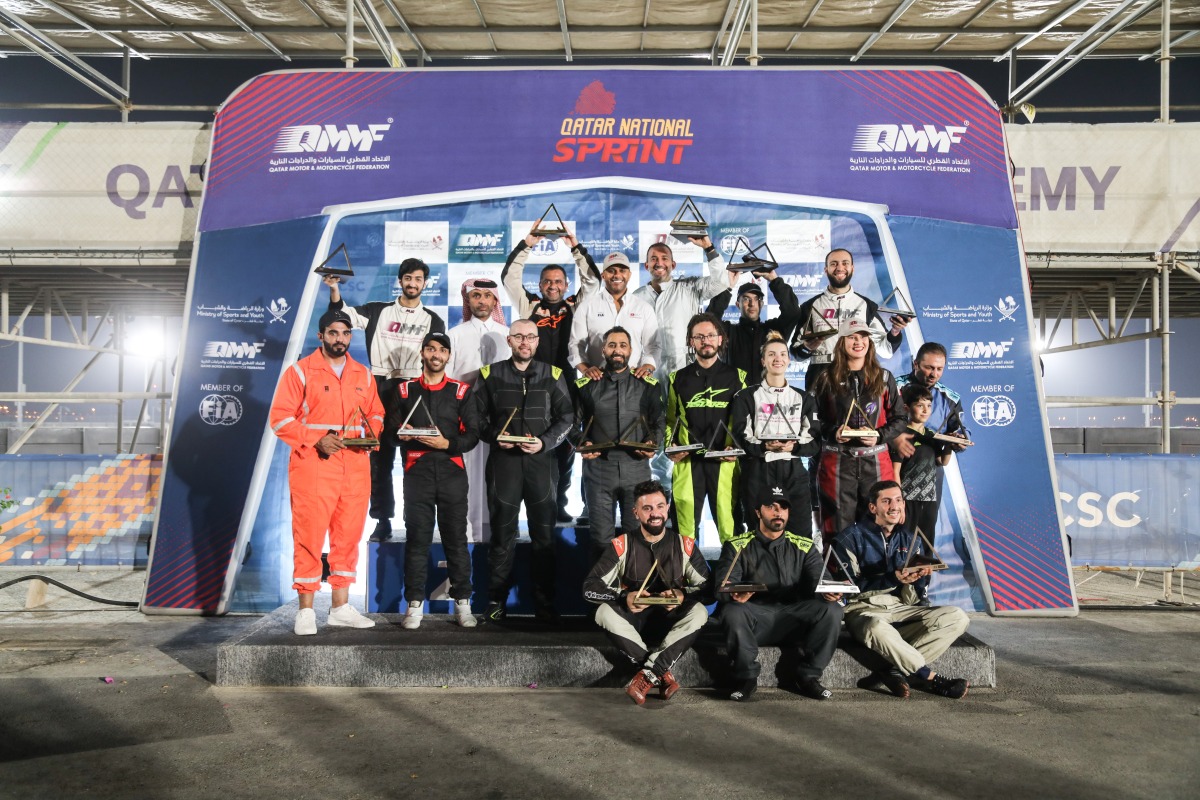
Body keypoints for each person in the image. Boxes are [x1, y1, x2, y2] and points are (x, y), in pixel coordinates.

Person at [268, 308, 382, 635]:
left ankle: (341, 607)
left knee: (348, 536)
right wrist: (317, 439)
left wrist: (371, 435)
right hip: (314, 465)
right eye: (333, 333)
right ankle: (305, 610)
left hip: (356, 464)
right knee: (310, 535)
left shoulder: (363, 373)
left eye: (345, 334)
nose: (340, 339)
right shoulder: (301, 372)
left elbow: (376, 412)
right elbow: (280, 419)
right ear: (321, 336)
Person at [325, 259, 445, 542]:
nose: (412, 283)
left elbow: (437, 357)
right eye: (407, 278)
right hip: (379, 387)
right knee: (378, 458)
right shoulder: (376, 310)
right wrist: (333, 288)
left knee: (414, 457)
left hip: (415, 389)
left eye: (418, 279)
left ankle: (415, 518)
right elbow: (340, 316)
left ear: (425, 283)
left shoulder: (433, 319)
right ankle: (382, 521)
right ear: (400, 280)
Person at [831, 481, 971, 699]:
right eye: (886, 501)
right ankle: (929, 677)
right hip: (862, 610)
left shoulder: (909, 539)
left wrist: (917, 580)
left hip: (900, 608)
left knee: (957, 617)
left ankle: (892, 669)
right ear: (872, 507)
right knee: (875, 627)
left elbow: (913, 599)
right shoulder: (848, 538)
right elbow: (848, 590)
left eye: (898, 500)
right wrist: (892, 577)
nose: (894, 506)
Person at [476, 318, 574, 624]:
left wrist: (544, 444)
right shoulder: (490, 374)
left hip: (540, 464)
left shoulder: (553, 374)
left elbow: (568, 417)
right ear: (508, 340)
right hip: (504, 463)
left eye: (530, 337)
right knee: (503, 535)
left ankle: (544, 603)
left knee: (543, 537)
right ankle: (495, 601)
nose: (524, 342)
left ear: (537, 341)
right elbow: (475, 418)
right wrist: (495, 437)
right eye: (518, 336)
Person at [501, 229, 601, 522]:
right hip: (533, 388)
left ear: (566, 284)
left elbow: (593, 280)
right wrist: (528, 244)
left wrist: (575, 248)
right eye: (547, 281)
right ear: (540, 284)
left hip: (569, 389)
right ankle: (537, 504)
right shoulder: (529, 305)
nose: (553, 286)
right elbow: (509, 277)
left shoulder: (576, 305)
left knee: (567, 448)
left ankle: (559, 502)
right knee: (535, 444)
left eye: (558, 281)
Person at [583, 480, 710, 705]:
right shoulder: (621, 544)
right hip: (635, 622)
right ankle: (661, 674)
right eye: (647, 508)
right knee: (603, 612)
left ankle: (650, 672)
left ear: (667, 508)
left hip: (671, 621)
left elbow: (709, 588)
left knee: (699, 611)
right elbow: (590, 588)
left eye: (660, 506)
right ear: (635, 512)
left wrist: (683, 595)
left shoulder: (685, 544)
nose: (655, 514)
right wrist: (623, 596)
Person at [714, 486, 845, 702]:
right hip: (757, 620)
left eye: (783, 507)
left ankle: (808, 676)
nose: (778, 512)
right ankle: (746, 679)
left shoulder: (803, 545)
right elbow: (722, 586)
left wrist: (829, 592)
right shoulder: (737, 545)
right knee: (732, 611)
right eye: (771, 506)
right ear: (757, 512)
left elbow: (819, 579)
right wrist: (734, 594)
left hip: (795, 617)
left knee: (831, 609)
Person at [387, 331, 481, 630]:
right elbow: (389, 433)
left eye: (441, 350)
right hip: (417, 473)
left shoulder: (461, 391)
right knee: (417, 541)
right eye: (430, 349)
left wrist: (447, 445)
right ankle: (414, 605)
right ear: (423, 353)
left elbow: (473, 435)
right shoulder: (403, 391)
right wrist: (405, 436)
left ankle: (463, 604)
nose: (436, 354)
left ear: (448, 356)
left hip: (452, 472)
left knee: (456, 540)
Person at [809, 317, 907, 544]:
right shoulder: (825, 377)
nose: (858, 341)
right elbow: (813, 420)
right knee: (836, 527)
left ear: (870, 342)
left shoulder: (884, 378)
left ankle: (876, 578)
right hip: (838, 462)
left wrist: (879, 436)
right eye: (852, 336)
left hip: (876, 463)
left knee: (878, 524)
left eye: (863, 336)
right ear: (842, 341)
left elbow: (900, 418)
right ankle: (838, 577)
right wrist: (834, 432)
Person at [574, 327, 665, 558]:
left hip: (637, 471)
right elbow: (570, 423)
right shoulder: (586, 385)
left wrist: (653, 442)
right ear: (603, 350)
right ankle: (601, 593)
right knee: (600, 540)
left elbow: (660, 421)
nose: (617, 350)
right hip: (598, 472)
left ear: (631, 350)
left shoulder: (648, 385)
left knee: (637, 539)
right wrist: (579, 443)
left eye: (623, 345)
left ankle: (633, 593)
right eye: (612, 345)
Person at [665, 313, 746, 542]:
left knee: (730, 527)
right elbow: (670, 420)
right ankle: (687, 577)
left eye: (710, 335)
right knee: (685, 530)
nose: (705, 341)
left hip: (725, 462)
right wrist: (670, 447)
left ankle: (731, 578)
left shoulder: (738, 377)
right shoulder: (677, 379)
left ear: (720, 339)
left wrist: (737, 448)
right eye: (699, 336)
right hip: (688, 462)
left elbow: (745, 421)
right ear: (691, 342)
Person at [730, 332, 818, 536]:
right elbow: (740, 437)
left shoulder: (804, 398)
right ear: (763, 361)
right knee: (758, 532)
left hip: (793, 470)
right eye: (771, 354)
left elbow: (813, 443)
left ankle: (799, 568)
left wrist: (794, 446)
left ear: (788, 360)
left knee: (801, 533)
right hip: (759, 470)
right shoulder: (746, 397)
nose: (777, 359)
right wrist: (763, 446)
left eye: (782, 354)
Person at [446, 278, 510, 544]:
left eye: (487, 296)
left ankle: (499, 536)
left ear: (496, 301)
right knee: (469, 479)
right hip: (466, 419)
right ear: (467, 300)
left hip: (501, 420)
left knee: (500, 479)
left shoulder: (508, 334)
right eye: (476, 296)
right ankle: (470, 537)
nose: (482, 301)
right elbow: (447, 380)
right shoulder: (454, 334)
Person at [788, 248, 908, 390]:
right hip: (820, 374)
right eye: (834, 264)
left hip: (857, 373)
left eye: (845, 263)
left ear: (852, 268)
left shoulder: (866, 305)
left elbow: (886, 351)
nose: (840, 268)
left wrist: (895, 331)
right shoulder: (810, 306)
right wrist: (807, 348)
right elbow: (796, 353)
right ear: (826, 269)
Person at [893, 342, 971, 544]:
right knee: (894, 527)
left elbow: (962, 430)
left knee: (925, 531)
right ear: (915, 364)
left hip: (929, 470)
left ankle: (923, 572)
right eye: (928, 367)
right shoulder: (892, 386)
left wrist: (959, 441)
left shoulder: (950, 398)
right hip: (894, 464)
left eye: (939, 369)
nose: (933, 374)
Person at [632, 237, 727, 378]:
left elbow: (721, 282)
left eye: (664, 258)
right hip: (649, 368)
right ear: (646, 265)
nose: (659, 263)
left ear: (673, 265)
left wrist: (708, 248)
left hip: (685, 366)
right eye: (654, 259)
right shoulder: (637, 297)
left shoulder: (689, 287)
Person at [569, 252, 660, 381]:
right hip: (597, 382)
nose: (617, 275)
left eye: (622, 270)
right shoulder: (587, 306)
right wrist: (586, 369)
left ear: (629, 275)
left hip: (634, 382)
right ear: (603, 275)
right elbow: (576, 344)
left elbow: (653, 345)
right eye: (611, 271)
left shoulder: (644, 308)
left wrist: (648, 367)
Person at [706, 269, 803, 377]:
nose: (752, 304)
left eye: (756, 299)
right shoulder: (728, 332)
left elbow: (793, 312)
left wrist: (774, 280)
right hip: (735, 393)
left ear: (761, 304)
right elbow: (708, 321)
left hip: (768, 393)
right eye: (746, 299)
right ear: (738, 304)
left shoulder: (773, 331)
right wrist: (727, 287)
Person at [893, 384, 954, 551]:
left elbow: (942, 461)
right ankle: (901, 574)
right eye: (920, 405)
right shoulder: (902, 436)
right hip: (908, 498)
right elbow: (895, 471)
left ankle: (925, 576)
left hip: (929, 498)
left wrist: (950, 445)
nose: (925, 410)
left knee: (927, 542)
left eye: (928, 405)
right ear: (906, 407)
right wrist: (899, 502)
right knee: (905, 543)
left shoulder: (931, 435)